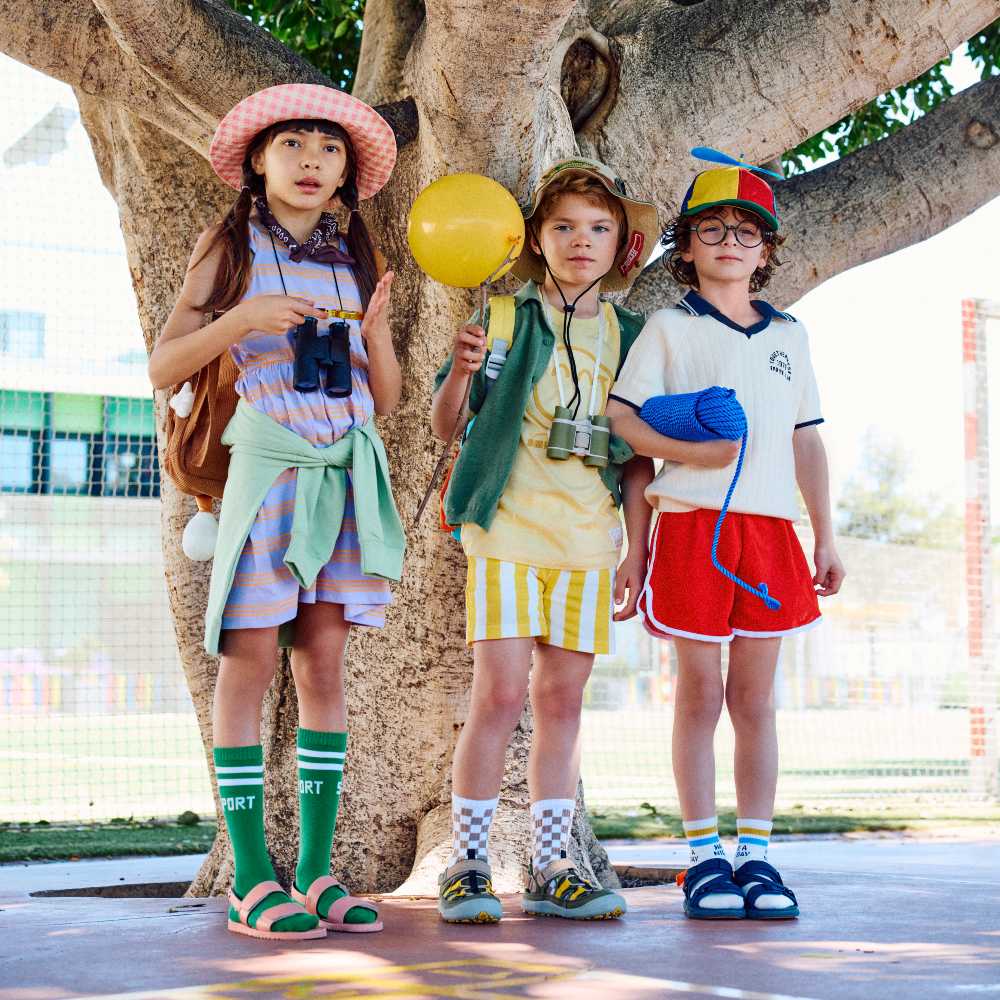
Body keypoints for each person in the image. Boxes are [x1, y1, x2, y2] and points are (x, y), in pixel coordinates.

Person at [148, 84, 405, 941]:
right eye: (293, 143)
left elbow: (386, 398)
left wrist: (377, 339)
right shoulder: (229, 246)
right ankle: (252, 877)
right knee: (250, 661)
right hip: (267, 475)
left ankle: (317, 875)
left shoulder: (356, 254)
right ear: (258, 160)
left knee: (324, 664)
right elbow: (163, 366)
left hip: (343, 476)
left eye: (329, 149)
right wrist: (245, 318)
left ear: (346, 173)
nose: (311, 161)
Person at [606, 159, 845, 920]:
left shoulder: (791, 335)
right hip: (691, 527)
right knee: (700, 694)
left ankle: (757, 856)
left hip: (771, 531)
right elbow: (623, 422)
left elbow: (807, 438)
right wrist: (688, 467)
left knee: (755, 699)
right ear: (686, 246)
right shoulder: (668, 328)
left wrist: (825, 535)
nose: (730, 242)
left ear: (766, 250)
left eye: (746, 232)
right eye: (712, 229)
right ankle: (703, 857)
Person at [430, 158, 658, 923]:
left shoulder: (630, 337)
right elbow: (445, 424)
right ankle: (466, 863)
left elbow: (638, 459)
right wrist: (461, 374)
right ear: (536, 238)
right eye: (563, 226)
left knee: (562, 701)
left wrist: (637, 549)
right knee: (498, 695)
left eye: (598, 228)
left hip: (589, 544)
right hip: (507, 535)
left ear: (620, 243)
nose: (580, 240)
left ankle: (553, 864)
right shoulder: (506, 319)